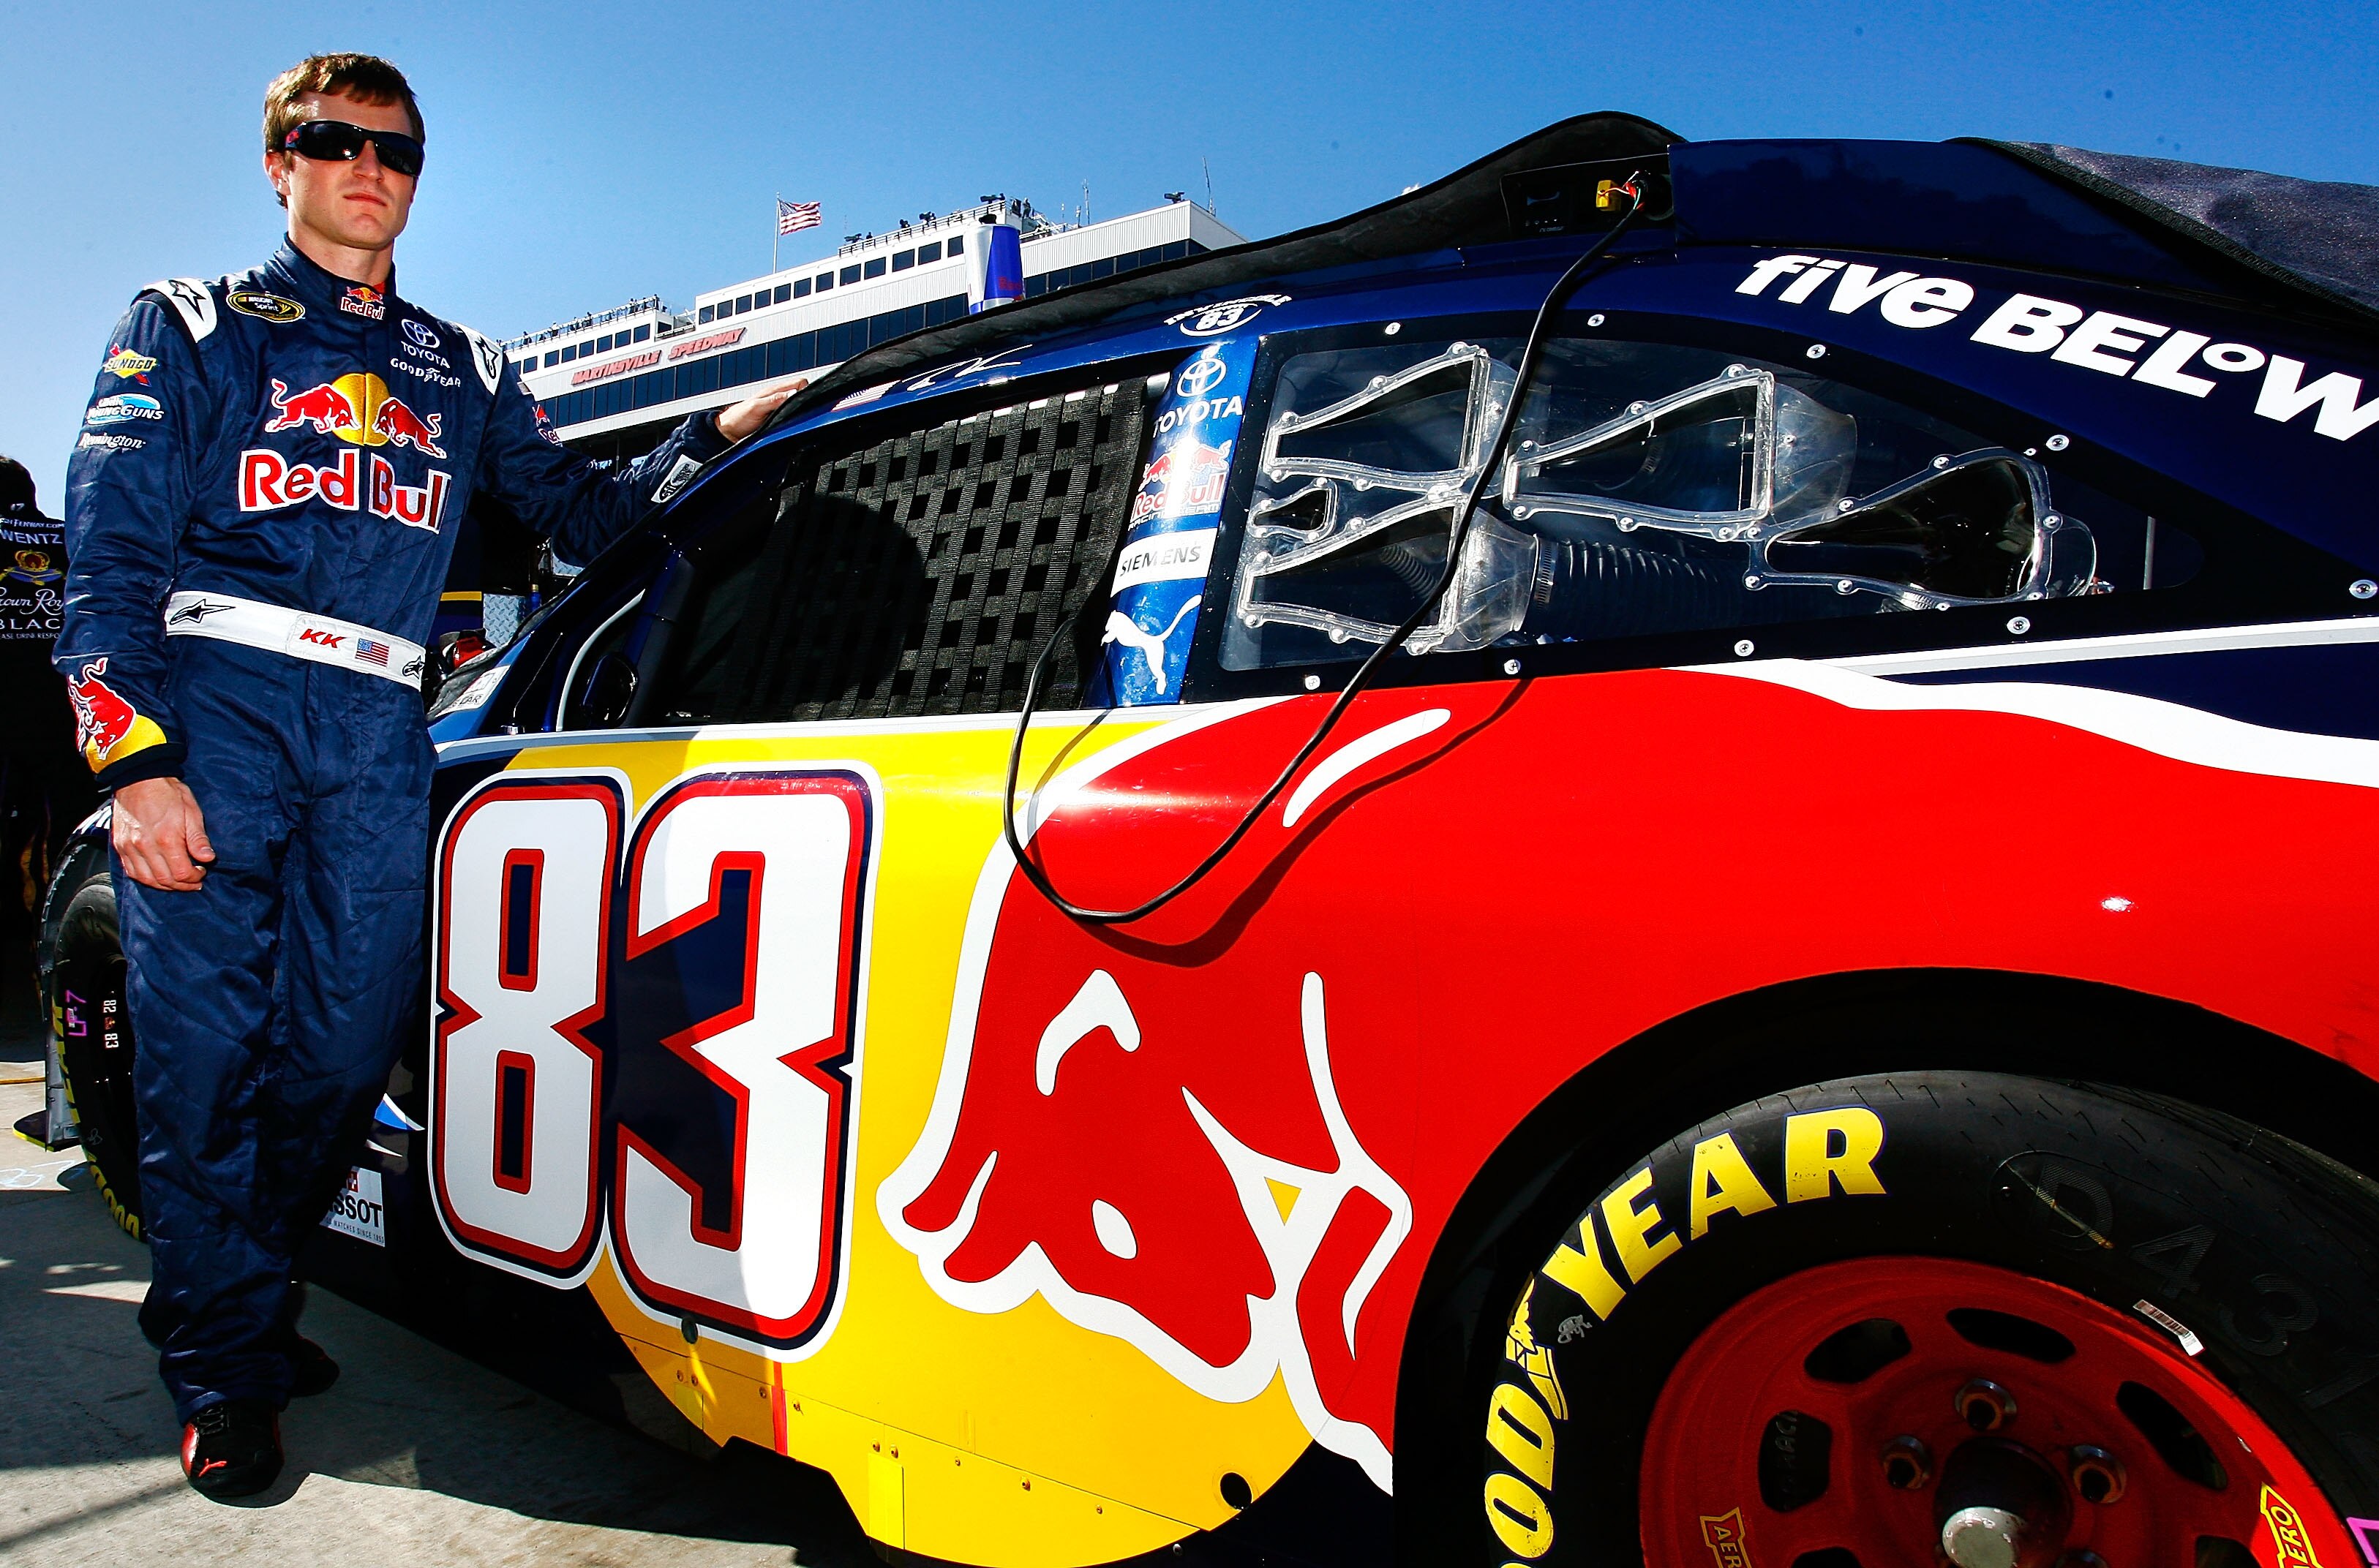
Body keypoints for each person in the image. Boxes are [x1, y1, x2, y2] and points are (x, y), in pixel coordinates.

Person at [54, 53, 803, 1499]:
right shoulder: (187, 326)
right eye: (335, 142)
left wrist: (707, 444)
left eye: (395, 149)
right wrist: (136, 765)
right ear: (281, 162)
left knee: (343, 1058)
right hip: (216, 716)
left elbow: (582, 514)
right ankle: (225, 1366)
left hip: (380, 738)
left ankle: (240, 1291)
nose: (369, 168)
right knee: (203, 1065)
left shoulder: (460, 371)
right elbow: (110, 567)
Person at [1, 457, 93, 1011]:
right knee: (67, 842)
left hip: (11, 717)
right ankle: (56, 957)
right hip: (67, 715)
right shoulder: (69, 537)